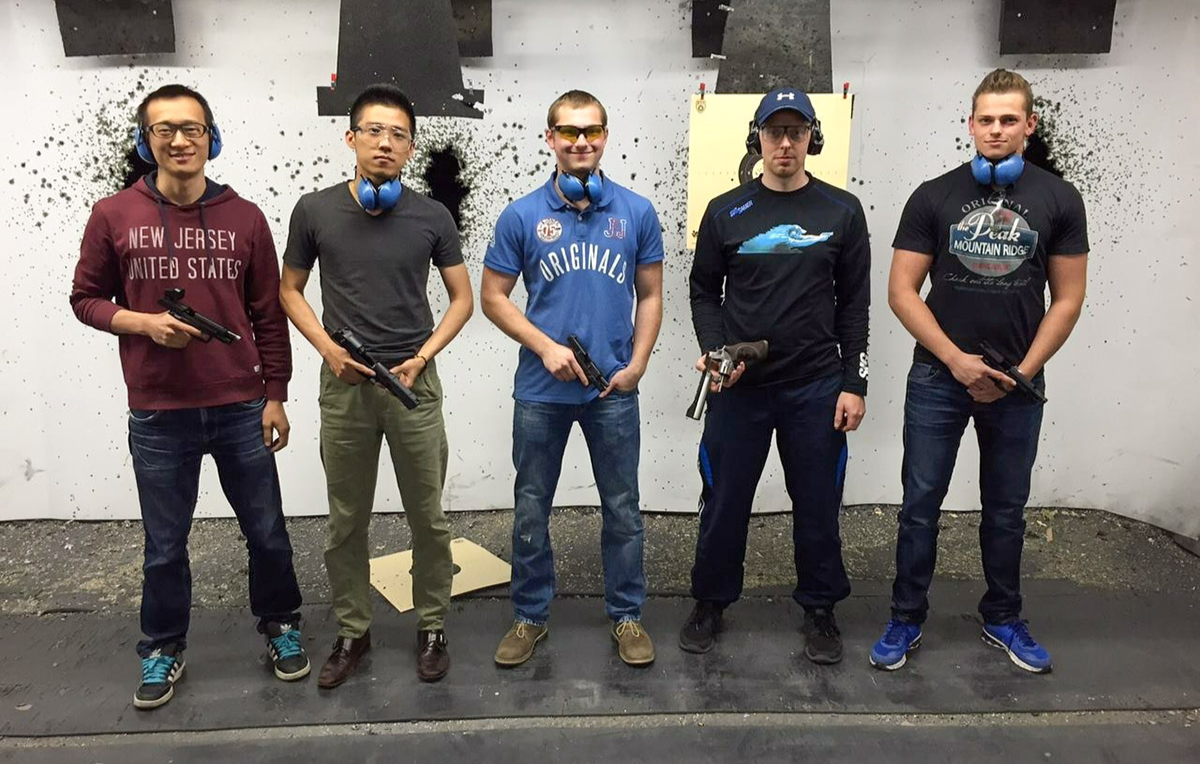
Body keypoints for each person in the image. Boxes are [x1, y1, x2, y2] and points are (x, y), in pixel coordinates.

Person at [70, 84, 308, 710]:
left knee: (267, 532)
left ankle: (281, 624)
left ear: (211, 138)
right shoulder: (112, 214)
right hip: (158, 410)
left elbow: (268, 314)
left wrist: (276, 394)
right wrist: (143, 324)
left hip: (241, 405)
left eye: (192, 129)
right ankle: (162, 647)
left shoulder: (245, 217)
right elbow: (85, 299)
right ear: (145, 140)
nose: (180, 141)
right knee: (164, 544)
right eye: (165, 130)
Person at [869, 68, 1088, 673]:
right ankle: (906, 616)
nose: (996, 130)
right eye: (986, 119)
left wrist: (1021, 373)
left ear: (1029, 125)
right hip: (939, 379)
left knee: (1006, 509)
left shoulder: (1060, 199)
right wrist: (956, 361)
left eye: (1008, 119)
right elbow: (902, 291)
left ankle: (1003, 616)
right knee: (920, 504)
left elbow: (1068, 298)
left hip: (1017, 384)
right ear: (970, 124)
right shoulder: (933, 196)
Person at [279, 83, 474, 686]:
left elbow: (463, 300)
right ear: (351, 137)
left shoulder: (432, 216)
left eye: (398, 135)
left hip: (413, 384)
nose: (385, 143)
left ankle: (432, 625)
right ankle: (352, 630)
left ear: (411, 148)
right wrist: (328, 349)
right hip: (345, 386)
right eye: (374, 131)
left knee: (429, 519)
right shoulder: (314, 210)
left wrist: (423, 355)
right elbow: (289, 289)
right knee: (346, 520)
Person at [680, 87, 871, 666]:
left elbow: (854, 305)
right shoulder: (725, 210)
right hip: (739, 390)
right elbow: (702, 291)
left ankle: (820, 607)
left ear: (813, 137)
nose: (784, 143)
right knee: (724, 500)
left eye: (796, 131)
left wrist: (854, 383)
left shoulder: (842, 211)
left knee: (818, 504)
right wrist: (715, 351)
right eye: (773, 131)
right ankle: (711, 601)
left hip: (816, 387)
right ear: (756, 138)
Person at [481, 89, 664, 667]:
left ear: (605, 137)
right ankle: (529, 616)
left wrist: (638, 364)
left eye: (591, 131)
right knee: (531, 507)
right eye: (568, 131)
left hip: (612, 390)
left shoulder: (636, 212)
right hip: (542, 393)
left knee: (623, 508)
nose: (580, 141)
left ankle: (627, 615)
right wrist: (544, 347)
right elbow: (492, 297)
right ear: (550, 138)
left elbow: (651, 294)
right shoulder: (521, 215)